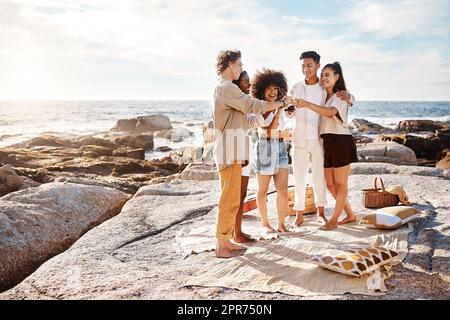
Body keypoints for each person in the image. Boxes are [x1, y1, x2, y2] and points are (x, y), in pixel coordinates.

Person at [212, 50, 292, 258]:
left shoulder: (228, 88)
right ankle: (222, 245)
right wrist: (281, 104)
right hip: (229, 149)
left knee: (232, 199)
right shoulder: (226, 87)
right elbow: (252, 105)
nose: (241, 67)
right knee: (229, 198)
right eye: (239, 64)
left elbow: (248, 117)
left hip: (235, 147)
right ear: (230, 64)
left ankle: (226, 241)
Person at [284, 51, 354, 226]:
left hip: (319, 140)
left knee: (319, 179)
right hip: (299, 139)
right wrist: (289, 109)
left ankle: (321, 213)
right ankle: (298, 214)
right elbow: (289, 113)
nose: (305, 69)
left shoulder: (325, 89)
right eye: (303, 65)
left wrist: (351, 97)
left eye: (309, 65)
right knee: (299, 178)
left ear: (317, 65)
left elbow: (339, 101)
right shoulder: (295, 87)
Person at [232, 71, 274, 243]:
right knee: (232, 194)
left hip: (246, 147)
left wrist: (272, 108)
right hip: (234, 147)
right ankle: (231, 232)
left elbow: (258, 123)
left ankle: (238, 232)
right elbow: (254, 122)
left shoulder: (247, 104)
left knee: (241, 194)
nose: (249, 86)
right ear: (236, 84)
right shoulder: (235, 103)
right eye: (245, 82)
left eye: (249, 82)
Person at [251, 69, 292, 233]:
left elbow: (285, 123)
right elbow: (269, 131)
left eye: (276, 88)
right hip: (265, 148)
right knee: (263, 190)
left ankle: (281, 224)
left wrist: (287, 106)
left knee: (283, 190)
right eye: (269, 88)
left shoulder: (279, 106)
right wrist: (278, 110)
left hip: (280, 147)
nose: (273, 91)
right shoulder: (260, 108)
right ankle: (266, 223)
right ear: (261, 90)